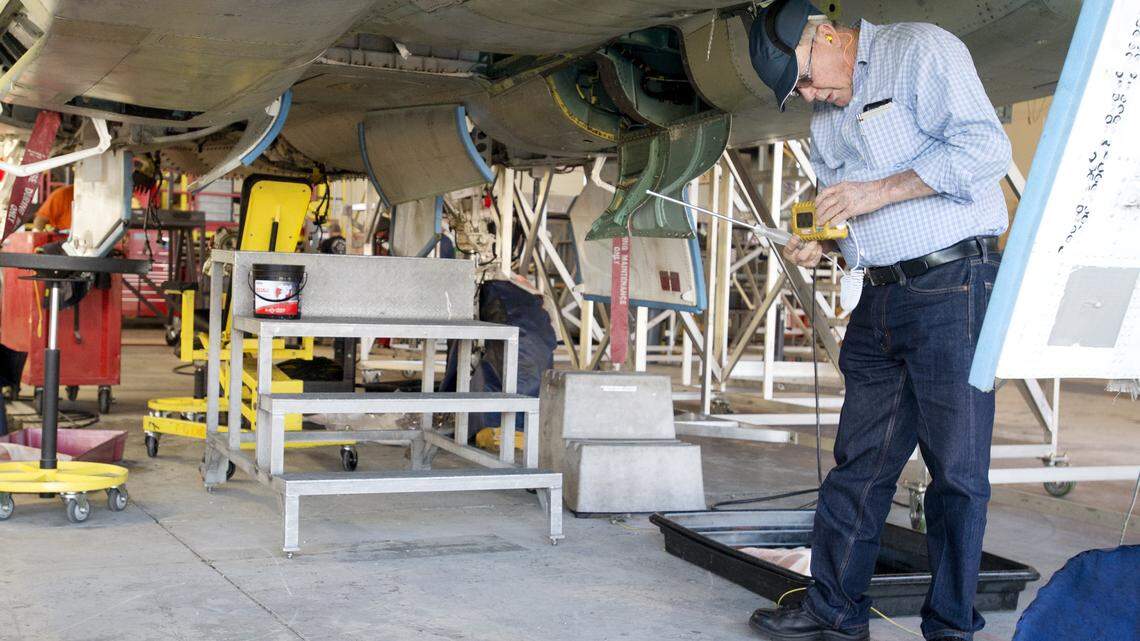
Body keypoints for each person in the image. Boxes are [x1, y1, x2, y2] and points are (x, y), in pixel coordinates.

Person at [743, 1, 1011, 640]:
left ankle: (950, 627)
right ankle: (834, 612)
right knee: (858, 461)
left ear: (828, 35)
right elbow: (846, 211)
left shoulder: (921, 50)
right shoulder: (824, 115)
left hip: (956, 284)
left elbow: (985, 149)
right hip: (883, 295)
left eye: (807, 77)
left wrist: (876, 191)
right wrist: (825, 241)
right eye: (800, 91)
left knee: (957, 472)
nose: (810, 94)